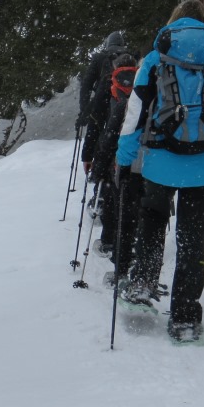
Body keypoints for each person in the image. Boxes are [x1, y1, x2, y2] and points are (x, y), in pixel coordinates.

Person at [115, 0, 204, 344]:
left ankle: (141, 286)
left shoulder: (156, 58)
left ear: (173, 23)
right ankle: (185, 317)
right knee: (192, 240)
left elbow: (134, 116)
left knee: (154, 221)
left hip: (161, 162)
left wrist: (124, 162)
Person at [87, 52, 139, 284]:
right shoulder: (144, 85)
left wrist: (95, 164)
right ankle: (129, 251)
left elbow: (101, 125)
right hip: (142, 158)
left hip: (115, 156)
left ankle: (112, 245)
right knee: (132, 209)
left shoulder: (111, 86)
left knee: (111, 198)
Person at [77, 30, 131, 254]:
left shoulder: (99, 59)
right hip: (127, 123)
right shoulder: (131, 60)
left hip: (106, 117)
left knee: (104, 160)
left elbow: (87, 86)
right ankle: (125, 223)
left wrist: (84, 111)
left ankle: (100, 200)